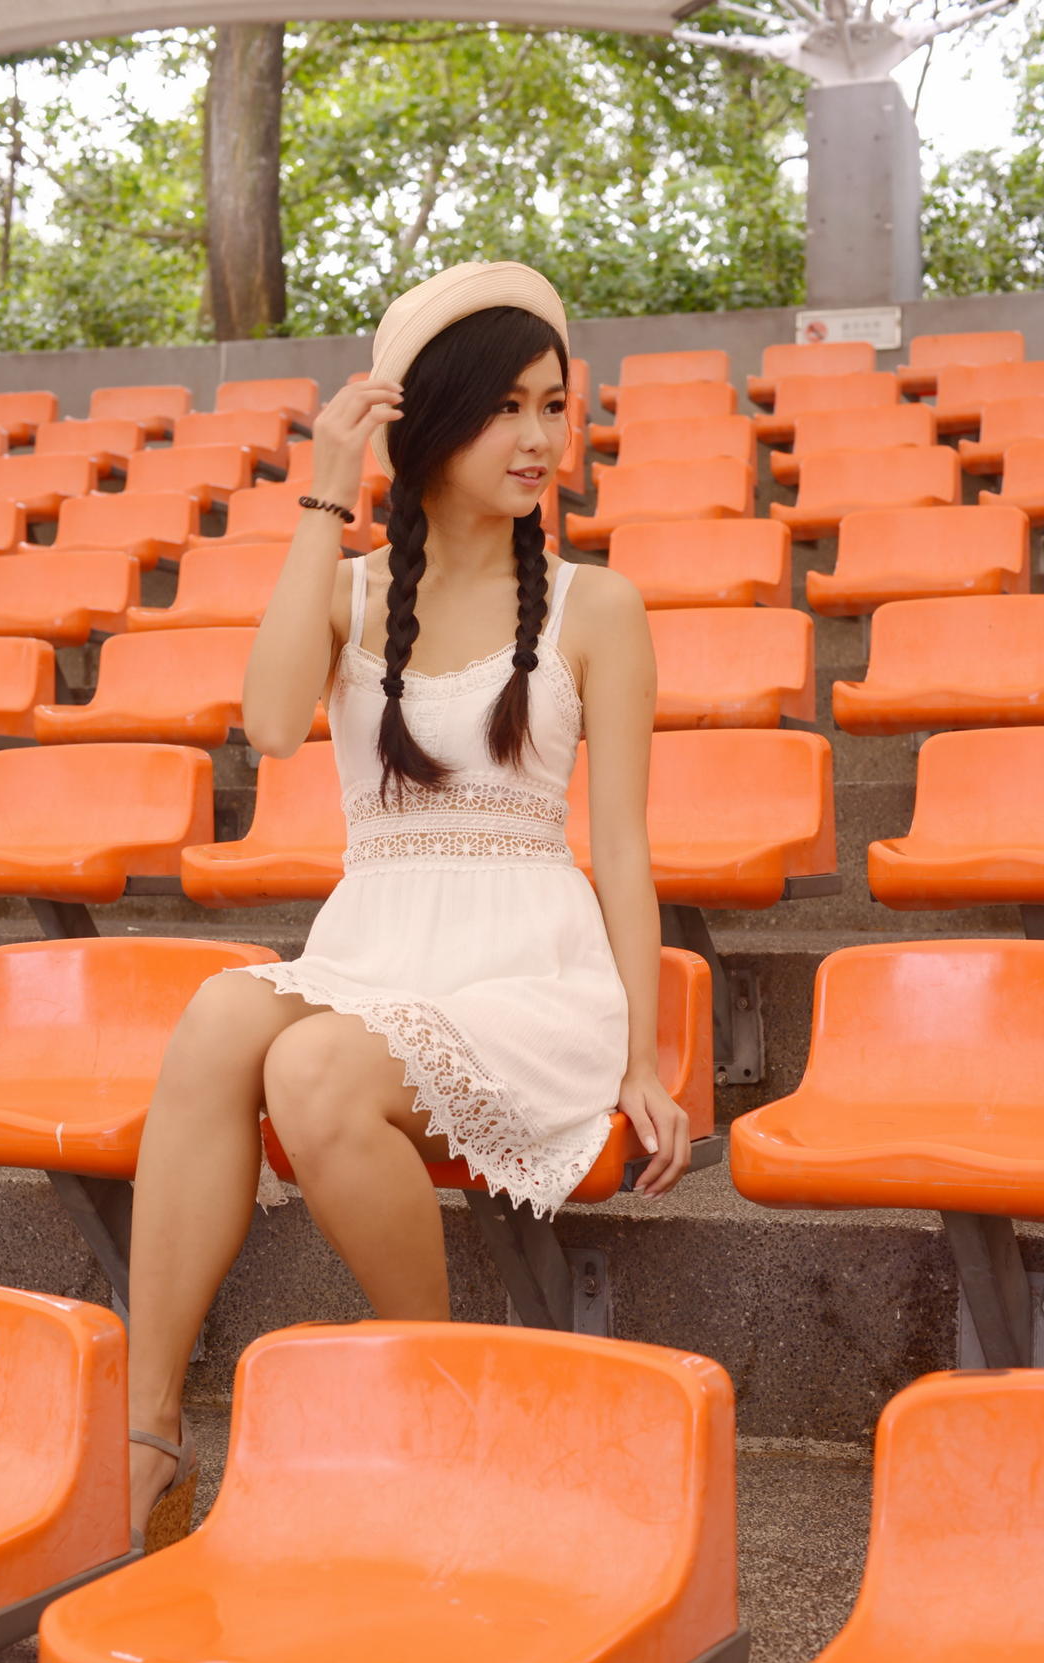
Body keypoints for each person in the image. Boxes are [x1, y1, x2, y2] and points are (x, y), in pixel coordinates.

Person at [126, 261, 690, 1550]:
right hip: (378, 947)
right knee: (218, 1015)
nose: (540, 438)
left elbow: (623, 847)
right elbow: (272, 724)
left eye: (552, 405)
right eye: (504, 407)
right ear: (426, 421)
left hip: (528, 970)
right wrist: (328, 490)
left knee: (313, 1067)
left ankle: (437, 1403)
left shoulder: (598, 606)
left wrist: (646, 1059)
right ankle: (150, 1433)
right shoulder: (350, 594)